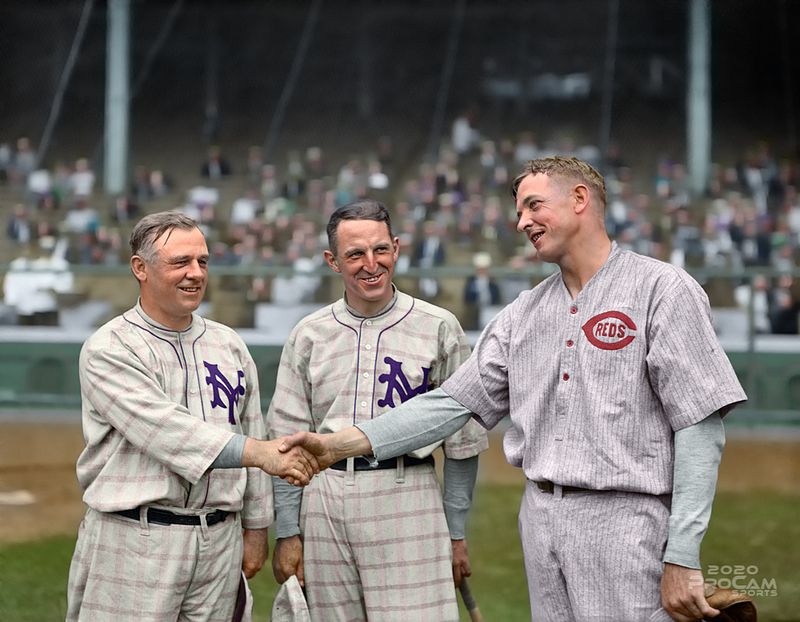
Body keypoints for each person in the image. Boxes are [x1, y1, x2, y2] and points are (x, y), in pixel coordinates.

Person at [281, 158, 748, 622]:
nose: (522, 221)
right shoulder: (523, 313)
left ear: (579, 199)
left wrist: (682, 552)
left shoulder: (662, 289)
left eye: (533, 205)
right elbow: (447, 406)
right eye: (520, 210)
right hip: (541, 519)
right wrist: (338, 445)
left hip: (626, 521)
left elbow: (699, 426)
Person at [66, 211, 318, 622]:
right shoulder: (110, 347)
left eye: (202, 261)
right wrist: (259, 453)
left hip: (219, 542)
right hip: (136, 538)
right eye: (180, 262)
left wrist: (257, 527)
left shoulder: (228, 343)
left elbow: (252, 426)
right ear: (140, 268)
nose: (196, 273)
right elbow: (168, 432)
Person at [266, 199, 488, 622]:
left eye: (381, 249)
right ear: (332, 261)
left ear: (397, 248)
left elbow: (464, 443)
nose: (372, 264)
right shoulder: (308, 334)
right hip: (325, 500)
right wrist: (289, 531)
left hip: (408, 494)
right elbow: (285, 443)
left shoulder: (439, 326)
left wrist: (456, 532)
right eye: (355, 254)